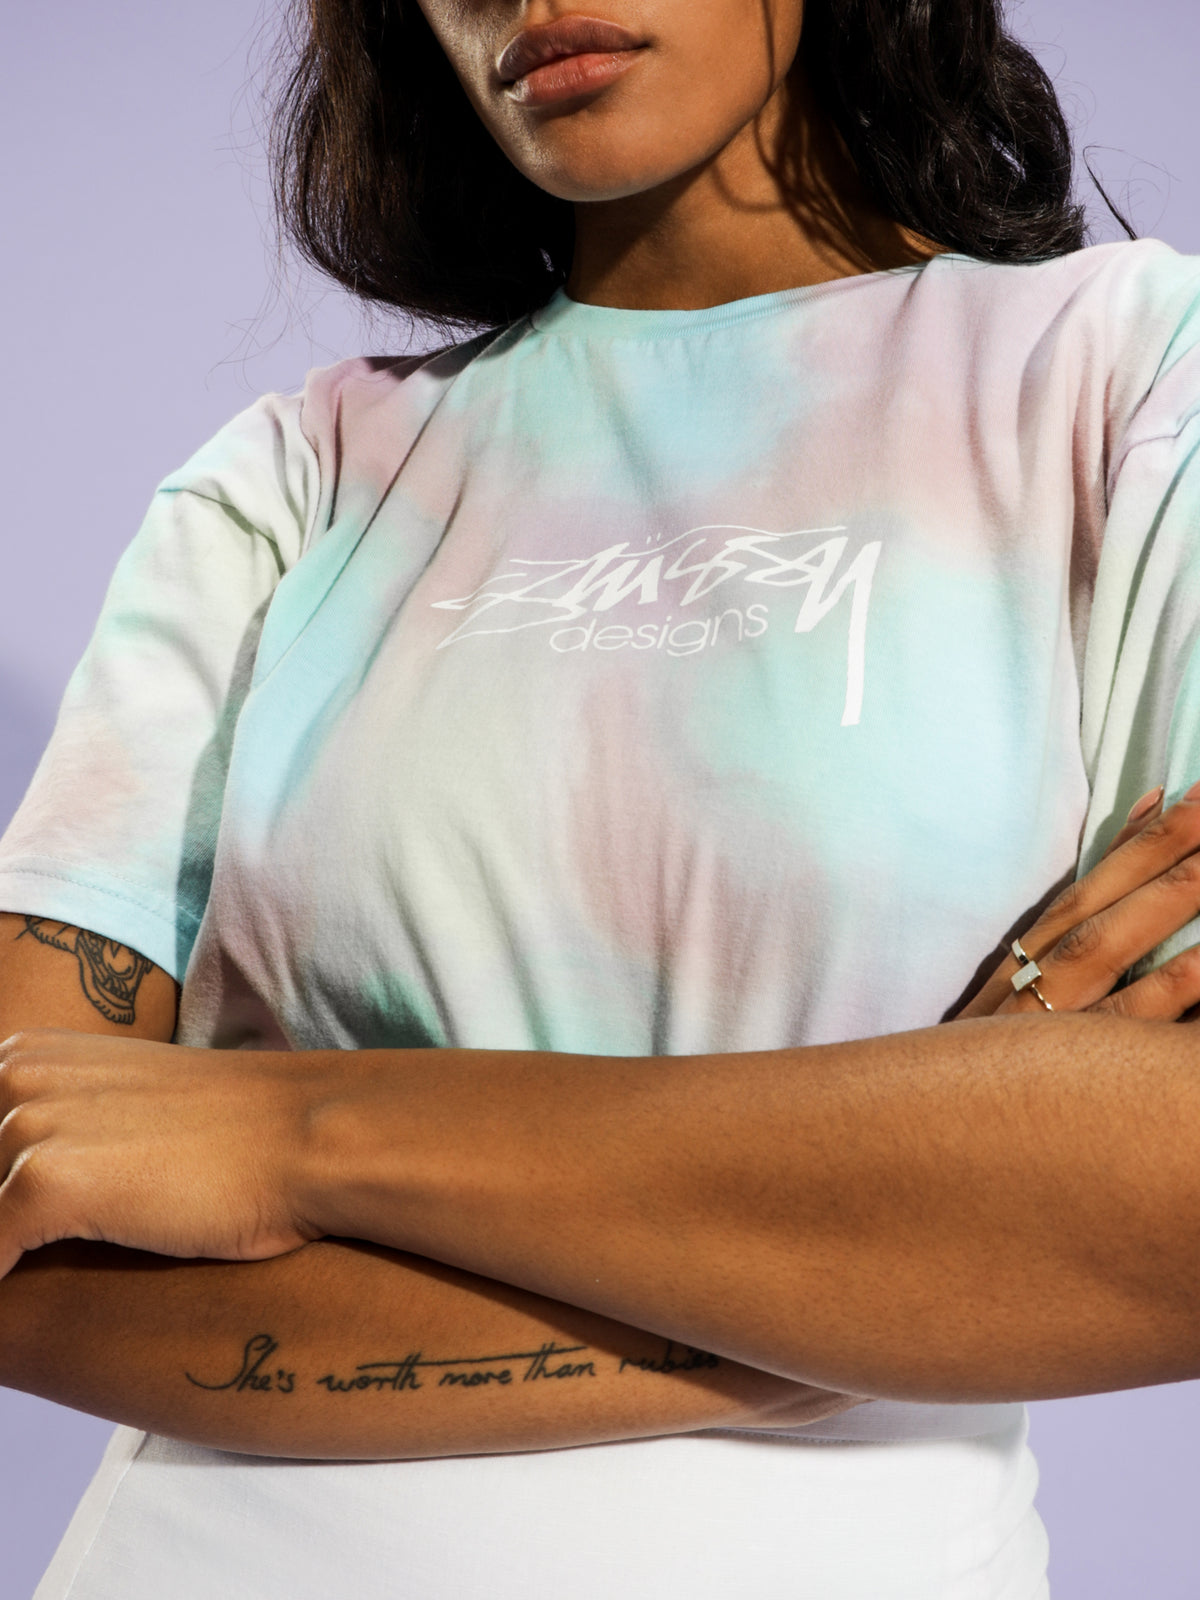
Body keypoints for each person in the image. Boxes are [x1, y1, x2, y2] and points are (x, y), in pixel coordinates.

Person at [3, 0, 1200, 1595]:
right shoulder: (298, 478)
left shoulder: (1128, 373)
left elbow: (1170, 1208)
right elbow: (30, 1250)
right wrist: (885, 1260)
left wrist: (296, 1134)